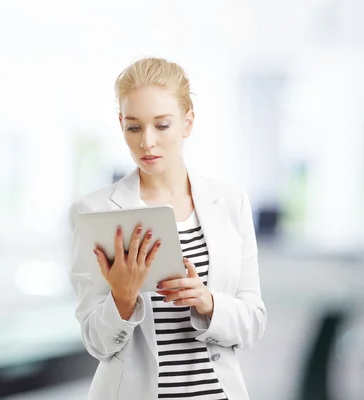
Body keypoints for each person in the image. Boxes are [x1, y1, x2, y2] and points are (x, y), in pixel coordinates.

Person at [68, 57, 267, 400]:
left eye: (161, 125)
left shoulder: (230, 203)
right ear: (121, 125)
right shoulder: (95, 213)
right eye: (134, 127)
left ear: (187, 122)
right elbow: (97, 343)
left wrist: (207, 302)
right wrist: (123, 298)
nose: (147, 142)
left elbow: (253, 322)